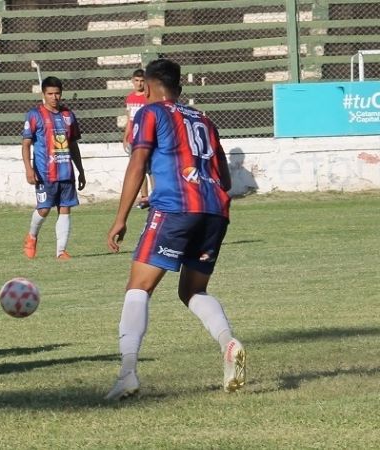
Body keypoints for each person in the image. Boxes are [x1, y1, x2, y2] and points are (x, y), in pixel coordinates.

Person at [104, 59, 245, 400]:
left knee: (138, 286)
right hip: (215, 211)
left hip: (175, 208)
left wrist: (121, 217)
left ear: (150, 86)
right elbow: (225, 179)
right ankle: (228, 342)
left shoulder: (150, 113)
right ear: (178, 87)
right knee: (193, 291)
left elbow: (137, 163)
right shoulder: (204, 120)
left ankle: (127, 373)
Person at [21, 76, 86, 260]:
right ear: (43, 94)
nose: (54, 97)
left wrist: (80, 170)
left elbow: (73, 145)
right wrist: (28, 169)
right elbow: (26, 144)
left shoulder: (68, 115)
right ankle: (32, 236)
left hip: (66, 171)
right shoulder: (35, 115)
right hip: (44, 173)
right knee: (44, 209)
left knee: (65, 208)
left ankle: (61, 251)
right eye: (50, 94)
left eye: (57, 93)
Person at [122, 68, 151, 209]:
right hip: (134, 140)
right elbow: (130, 120)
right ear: (132, 81)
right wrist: (125, 137)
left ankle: (156, 196)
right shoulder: (130, 98)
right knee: (138, 169)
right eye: (137, 80)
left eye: (142, 81)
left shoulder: (149, 97)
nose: (139, 83)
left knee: (151, 169)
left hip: (146, 138)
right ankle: (144, 197)